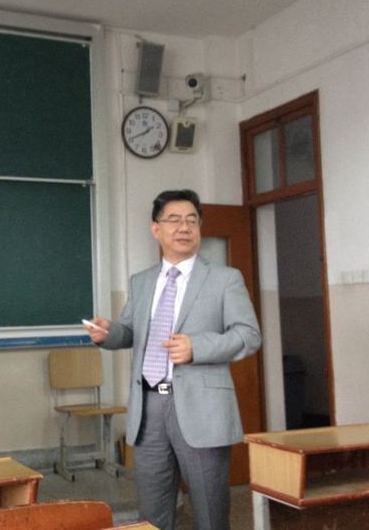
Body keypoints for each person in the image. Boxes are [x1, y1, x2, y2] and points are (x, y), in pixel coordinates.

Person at [85, 189, 261, 530]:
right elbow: (132, 332)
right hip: (148, 408)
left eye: (192, 220)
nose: (184, 227)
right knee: (152, 513)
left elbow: (248, 335)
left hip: (201, 408)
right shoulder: (141, 281)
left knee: (210, 512)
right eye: (174, 220)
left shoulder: (225, 278)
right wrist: (109, 334)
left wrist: (198, 347)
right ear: (156, 229)